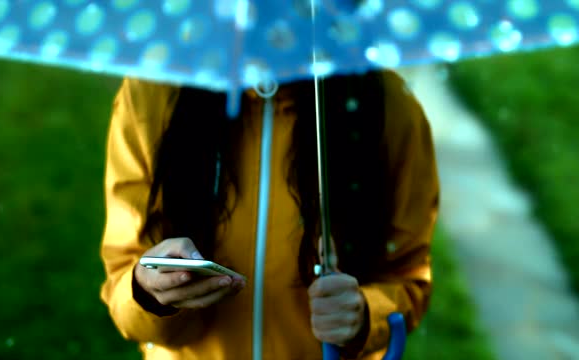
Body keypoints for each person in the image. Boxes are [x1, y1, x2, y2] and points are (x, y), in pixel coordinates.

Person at [99, 69, 440, 359]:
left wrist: (366, 314)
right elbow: (123, 279)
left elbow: (409, 276)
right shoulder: (154, 92)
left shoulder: (386, 105)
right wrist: (148, 291)